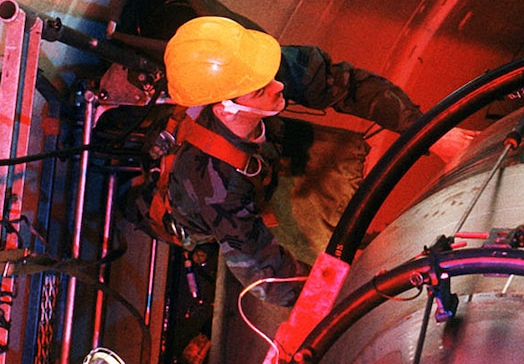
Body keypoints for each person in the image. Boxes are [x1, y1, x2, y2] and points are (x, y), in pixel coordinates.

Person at [156, 15, 471, 304]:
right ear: (227, 109)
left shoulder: (254, 72)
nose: (279, 86)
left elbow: (348, 86)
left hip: (266, 154)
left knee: (333, 163)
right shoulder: (213, 182)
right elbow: (266, 272)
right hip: (206, 206)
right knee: (328, 254)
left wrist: (430, 131)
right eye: (260, 90)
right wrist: (346, 291)